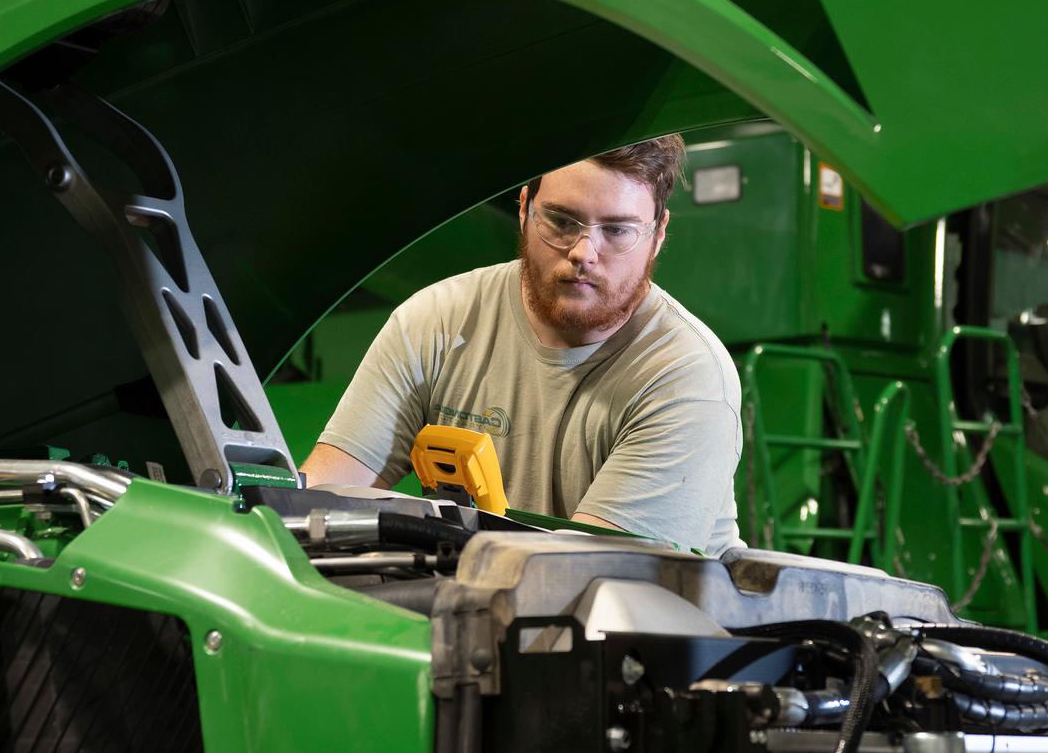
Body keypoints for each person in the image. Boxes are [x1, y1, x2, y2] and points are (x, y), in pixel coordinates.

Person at [301, 135, 744, 554]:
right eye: (562, 221)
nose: (584, 252)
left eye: (617, 230)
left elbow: (591, 579)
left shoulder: (685, 376)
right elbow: (318, 500)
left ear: (658, 233)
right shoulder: (438, 320)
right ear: (524, 208)